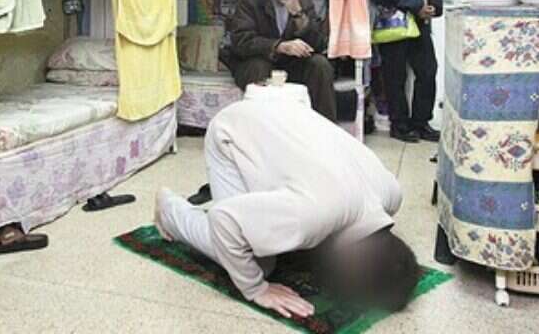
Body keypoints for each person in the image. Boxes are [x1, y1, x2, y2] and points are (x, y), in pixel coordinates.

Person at [155, 98, 419, 319]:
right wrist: (256, 289)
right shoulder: (310, 215)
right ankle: (170, 212)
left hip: (279, 110)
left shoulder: (392, 194)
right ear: (354, 262)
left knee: (288, 236)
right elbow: (224, 220)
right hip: (231, 131)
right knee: (259, 262)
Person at [226, 0, 335, 121]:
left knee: (320, 64)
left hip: (290, 65)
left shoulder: (302, 0)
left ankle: (323, 128)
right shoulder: (250, 1)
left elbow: (318, 44)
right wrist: (279, 46)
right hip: (257, 63)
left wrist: (298, 14)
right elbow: (241, 41)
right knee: (259, 67)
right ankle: (262, 127)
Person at [371, 0, 442, 143]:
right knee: (395, 78)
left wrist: (434, 6)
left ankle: (421, 123)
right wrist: (417, 6)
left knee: (428, 71)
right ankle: (399, 126)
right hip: (394, 26)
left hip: (419, 25)